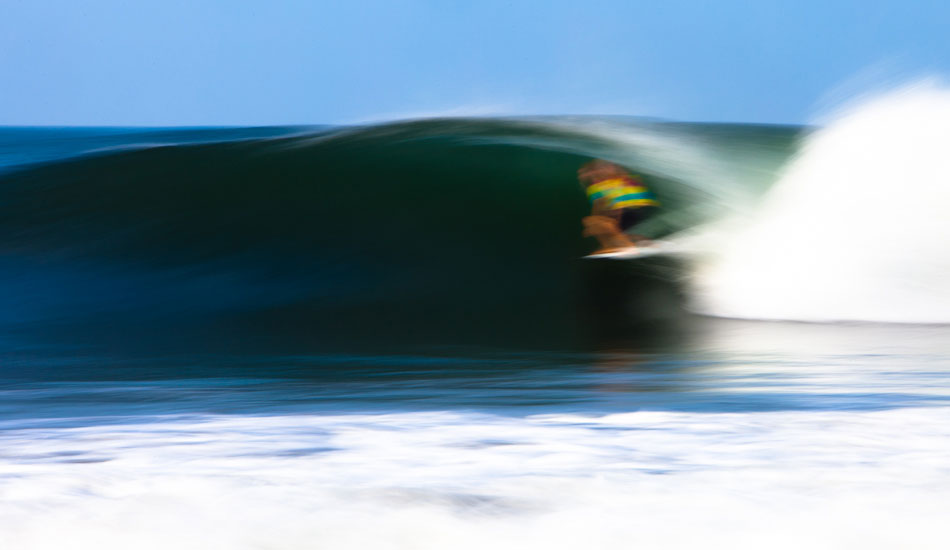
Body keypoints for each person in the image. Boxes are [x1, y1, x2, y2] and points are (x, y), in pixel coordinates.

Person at [578, 160, 660, 254]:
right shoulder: (623, 179)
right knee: (624, 232)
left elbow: (604, 207)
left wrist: (596, 224)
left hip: (632, 208)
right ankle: (647, 244)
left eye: (585, 172)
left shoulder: (598, 187)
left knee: (592, 221)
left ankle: (623, 246)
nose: (581, 176)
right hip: (647, 206)